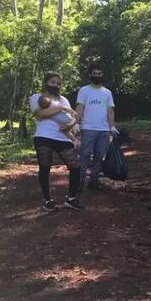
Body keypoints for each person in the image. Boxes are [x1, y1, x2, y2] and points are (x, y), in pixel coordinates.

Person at [29, 72, 84, 211]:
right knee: (45, 167)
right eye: (53, 82)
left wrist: (71, 125)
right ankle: (47, 201)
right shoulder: (36, 97)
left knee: (75, 166)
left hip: (62, 137)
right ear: (45, 83)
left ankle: (71, 198)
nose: (56, 85)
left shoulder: (64, 100)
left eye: (58, 83)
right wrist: (60, 108)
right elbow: (41, 114)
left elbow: (72, 116)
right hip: (43, 136)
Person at [76, 64, 119, 190]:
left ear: (102, 75)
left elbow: (110, 110)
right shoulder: (84, 90)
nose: (97, 76)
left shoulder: (107, 93)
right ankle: (79, 182)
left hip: (104, 130)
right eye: (95, 74)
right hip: (88, 128)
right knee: (85, 155)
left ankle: (93, 180)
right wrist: (76, 123)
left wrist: (112, 127)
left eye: (99, 74)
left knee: (100, 155)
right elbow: (79, 107)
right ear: (90, 75)